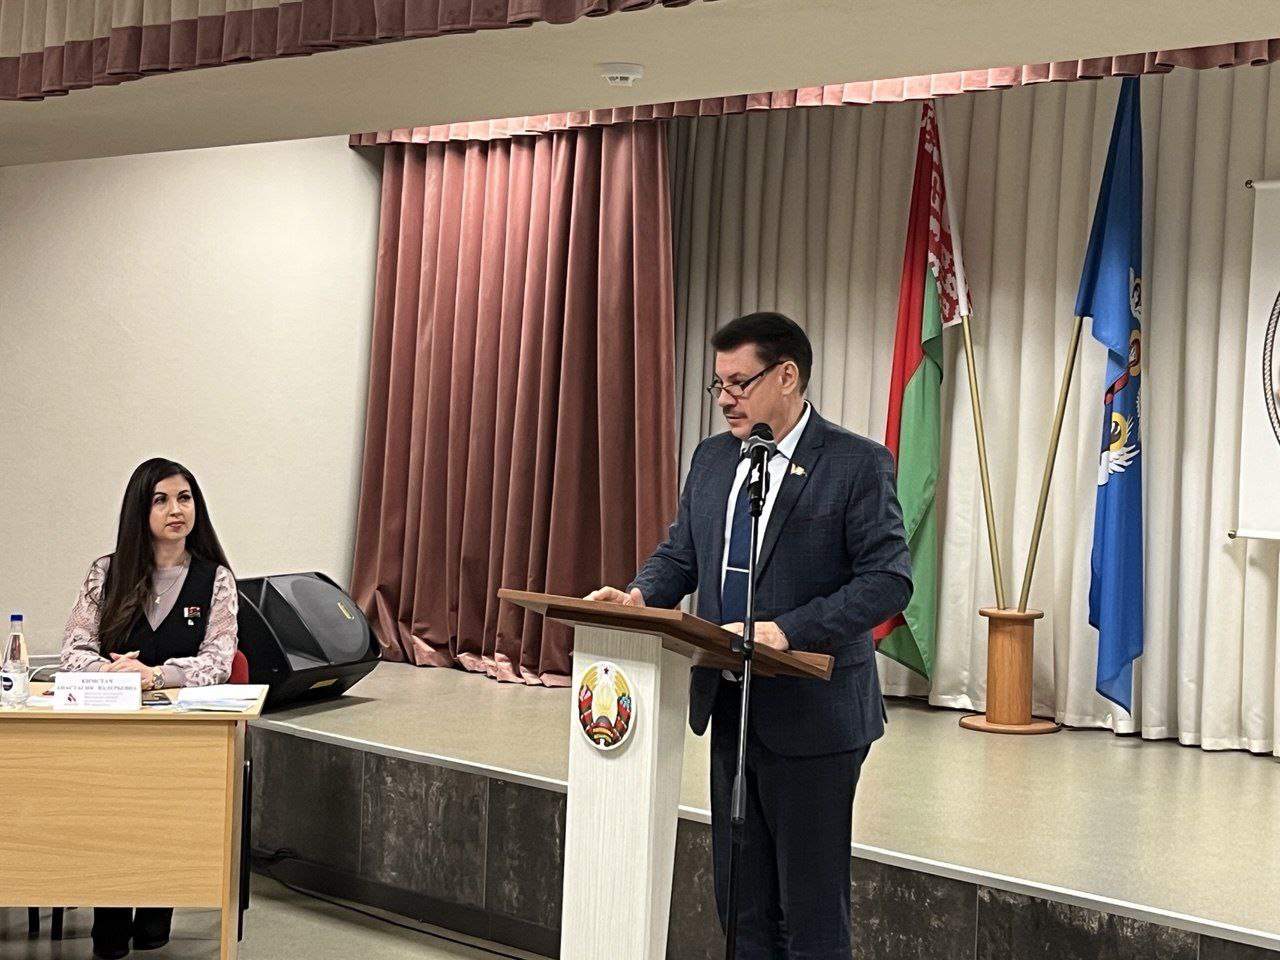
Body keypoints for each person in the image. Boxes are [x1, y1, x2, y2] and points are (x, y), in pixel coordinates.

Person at [586, 312, 912, 958]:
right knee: (741, 907)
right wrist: (640, 596)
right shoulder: (713, 459)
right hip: (731, 706)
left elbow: (887, 581)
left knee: (811, 914)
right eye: (720, 385)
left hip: (815, 719)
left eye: (740, 383)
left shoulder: (855, 464)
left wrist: (788, 630)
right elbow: (682, 553)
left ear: (787, 376)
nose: (726, 398)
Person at [60, 457, 239, 960]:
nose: (176, 510)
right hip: (111, 727)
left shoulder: (215, 579)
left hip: (181, 733)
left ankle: (159, 905)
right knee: (110, 811)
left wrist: (155, 676)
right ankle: (110, 917)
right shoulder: (106, 572)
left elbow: (220, 660)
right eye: (161, 500)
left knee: (165, 806)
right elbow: (73, 649)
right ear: (140, 511)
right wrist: (111, 673)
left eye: (184, 498)